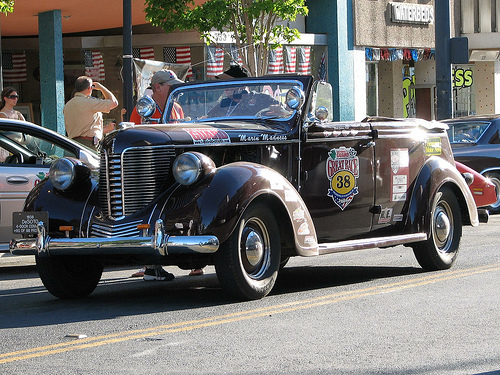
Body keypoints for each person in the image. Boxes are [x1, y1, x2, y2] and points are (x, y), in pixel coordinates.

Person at [63, 76, 118, 150]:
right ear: (89, 88)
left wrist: (106, 129)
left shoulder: (68, 105)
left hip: (72, 145)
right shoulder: (89, 102)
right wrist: (101, 88)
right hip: (88, 145)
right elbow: (114, 103)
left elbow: (85, 128)